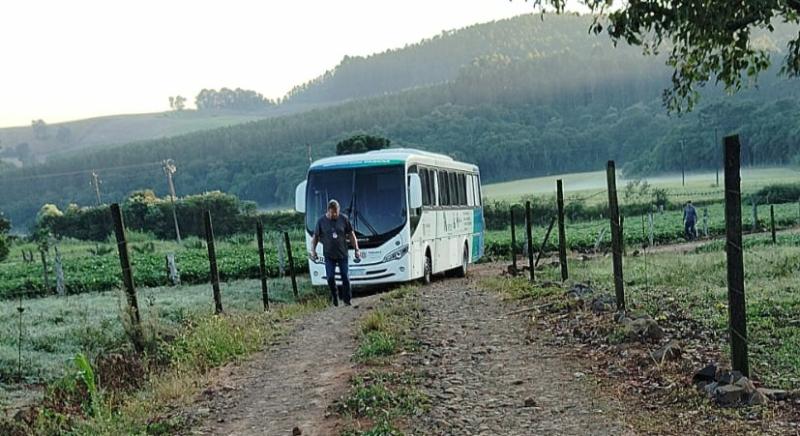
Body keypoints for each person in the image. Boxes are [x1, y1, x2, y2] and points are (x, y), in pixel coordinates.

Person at [310, 199, 361, 306]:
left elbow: (351, 235)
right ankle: (335, 296)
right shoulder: (321, 222)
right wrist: (313, 251)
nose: (336, 214)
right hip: (329, 255)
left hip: (342, 254)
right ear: (329, 211)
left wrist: (356, 249)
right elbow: (315, 237)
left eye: (337, 212)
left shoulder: (344, 219)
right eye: (334, 212)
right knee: (330, 277)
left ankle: (347, 300)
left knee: (345, 277)